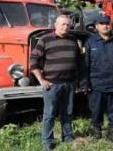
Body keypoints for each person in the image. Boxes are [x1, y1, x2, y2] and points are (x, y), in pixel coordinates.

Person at [81, 15, 113, 145]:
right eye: (102, 23)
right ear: (97, 26)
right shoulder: (90, 42)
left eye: (107, 23)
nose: (105, 26)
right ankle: (96, 132)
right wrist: (84, 83)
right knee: (96, 110)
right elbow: (84, 65)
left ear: (111, 25)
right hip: (96, 85)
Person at [31, 15, 80, 151]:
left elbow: (77, 60)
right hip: (52, 85)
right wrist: (41, 80)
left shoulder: (73, 39)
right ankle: (47, 141)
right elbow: (33, 60)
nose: (65, 27)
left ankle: (68, 137)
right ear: (55, 25)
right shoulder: (45, 39)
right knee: (49, 114)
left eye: (68, 25)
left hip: (69, 84)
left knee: (68, 112)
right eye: (62, 24)